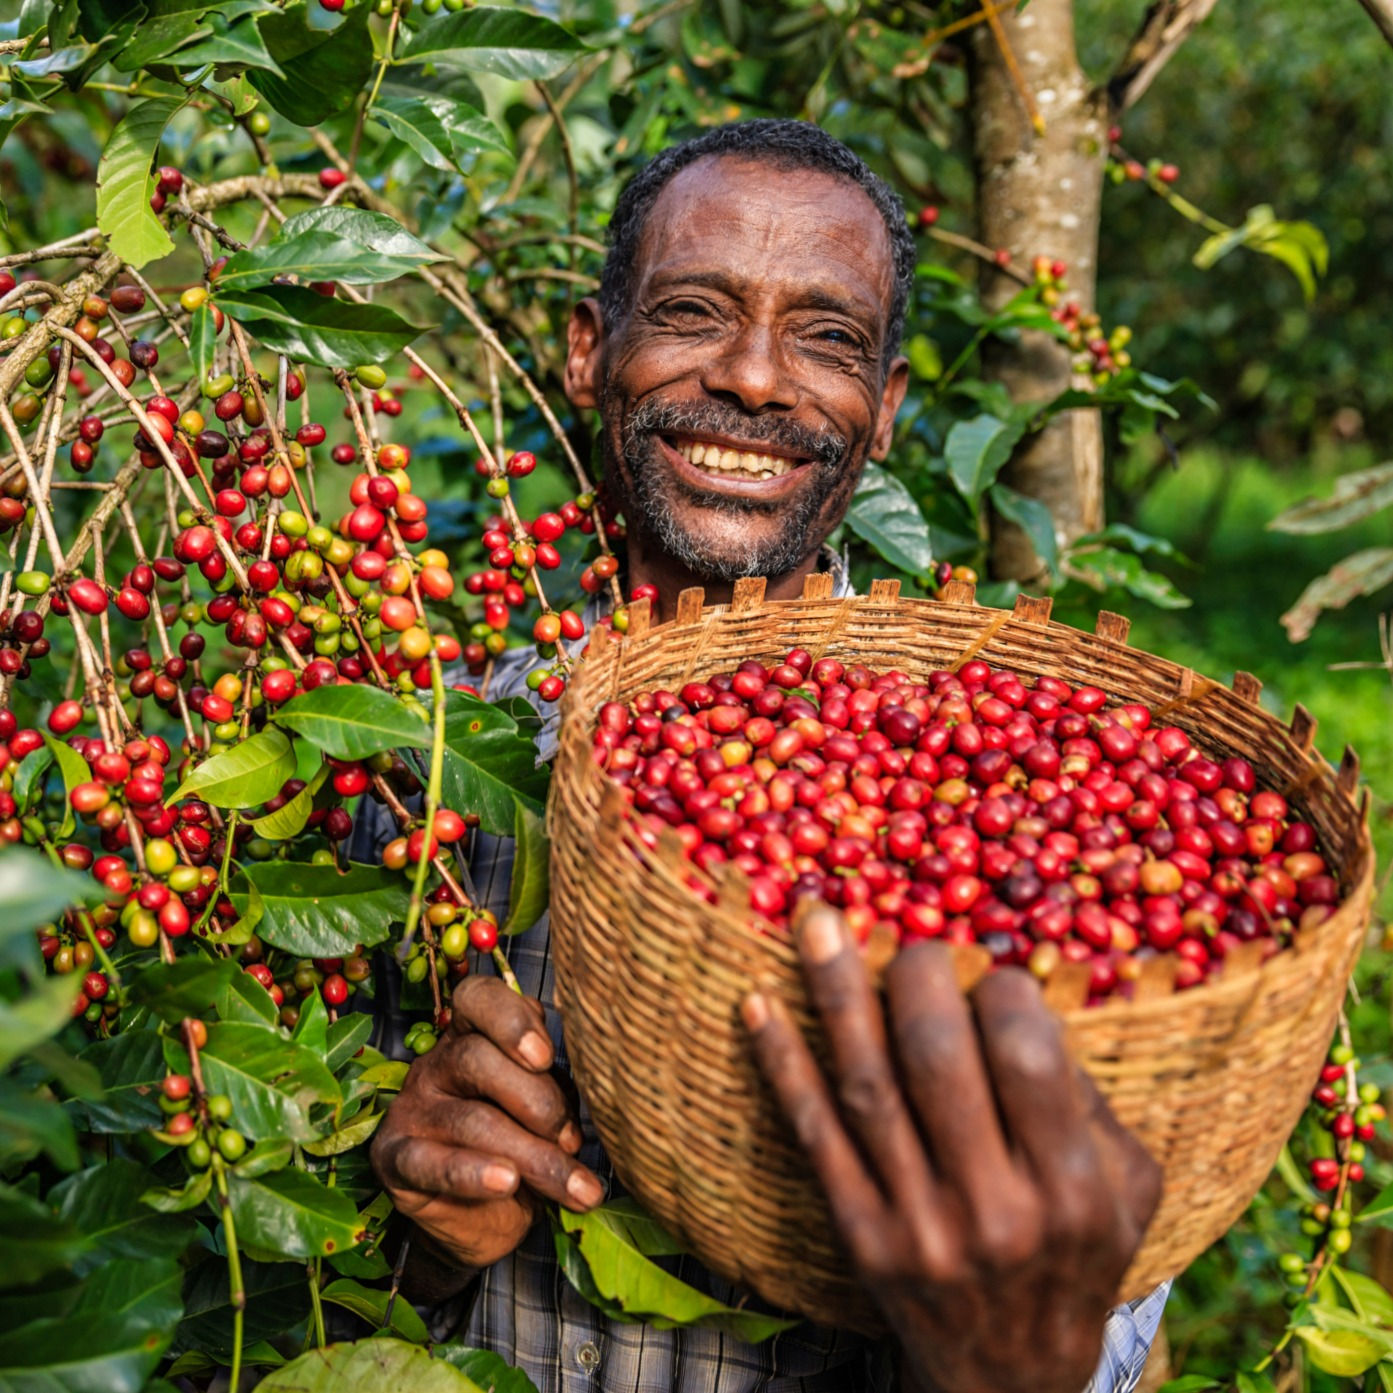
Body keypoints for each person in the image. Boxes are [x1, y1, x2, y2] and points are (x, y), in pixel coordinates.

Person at [366, 119, 1169, 1392]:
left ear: (888, 410)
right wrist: (417, 1246)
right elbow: (304, 1261)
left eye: (828, 338)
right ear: (589, 351)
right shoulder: (418, 768)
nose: (753, 378)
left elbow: (1121, 1323)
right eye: (692, 311)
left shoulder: (1015, 805)